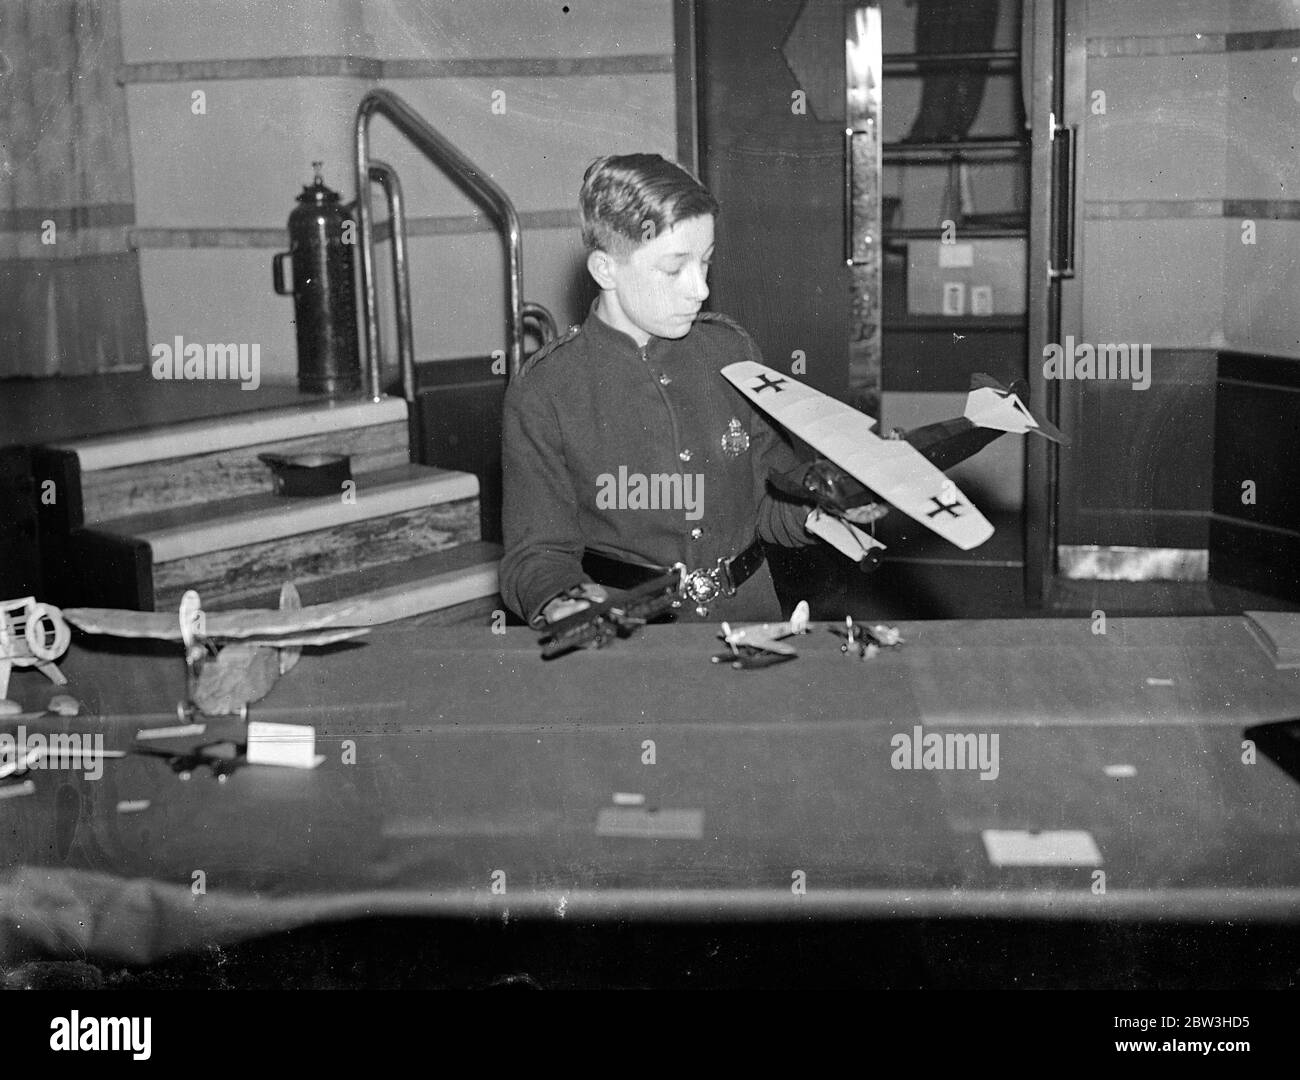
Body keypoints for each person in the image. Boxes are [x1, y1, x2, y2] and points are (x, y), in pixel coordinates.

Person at [499, 153, 823, 628]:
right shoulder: (548, 390)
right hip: (632, 631)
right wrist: (561, 600)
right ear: (605, 269)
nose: (699, 289)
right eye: (674, 270)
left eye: (706, 262)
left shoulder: (732, 353)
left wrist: (827, 512)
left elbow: (773, 497)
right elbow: (538, 551)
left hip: (751, 615)